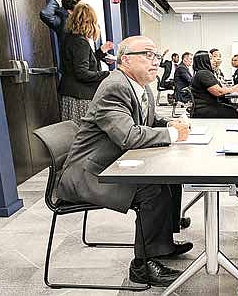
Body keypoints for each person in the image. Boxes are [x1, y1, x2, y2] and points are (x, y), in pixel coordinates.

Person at [58, 35, 193, 287]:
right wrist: (173, 134)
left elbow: (146, 122)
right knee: (151, 188)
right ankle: (143, 265)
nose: (155, 62)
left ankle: (162, 245)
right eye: (148, 55)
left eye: (157, 56)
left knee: (169, 177)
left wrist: (169, 124)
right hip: (89, 173)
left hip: (109, 164)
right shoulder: (115, 86)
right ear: (125, 60)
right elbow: (129, 135)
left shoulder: (141, 86)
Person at [57, 3, 113, 125]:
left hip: (71, 93)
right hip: (80, 96)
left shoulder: (69, 38)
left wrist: (100, 53)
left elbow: (79, 63)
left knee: (72, 133)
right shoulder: (80, 42)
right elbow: (82, 73)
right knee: (83, 134)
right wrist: (108, 74)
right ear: (89, 22)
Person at [190, 51, 238, 118]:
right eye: (211, 58)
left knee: (235, 108)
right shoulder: (204, 74)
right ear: (204, 61)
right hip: (206, 109)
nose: (214, 60)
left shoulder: (203, 73)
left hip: (207, 107)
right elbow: (219, 92)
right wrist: (235, 88)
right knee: (234, 111)